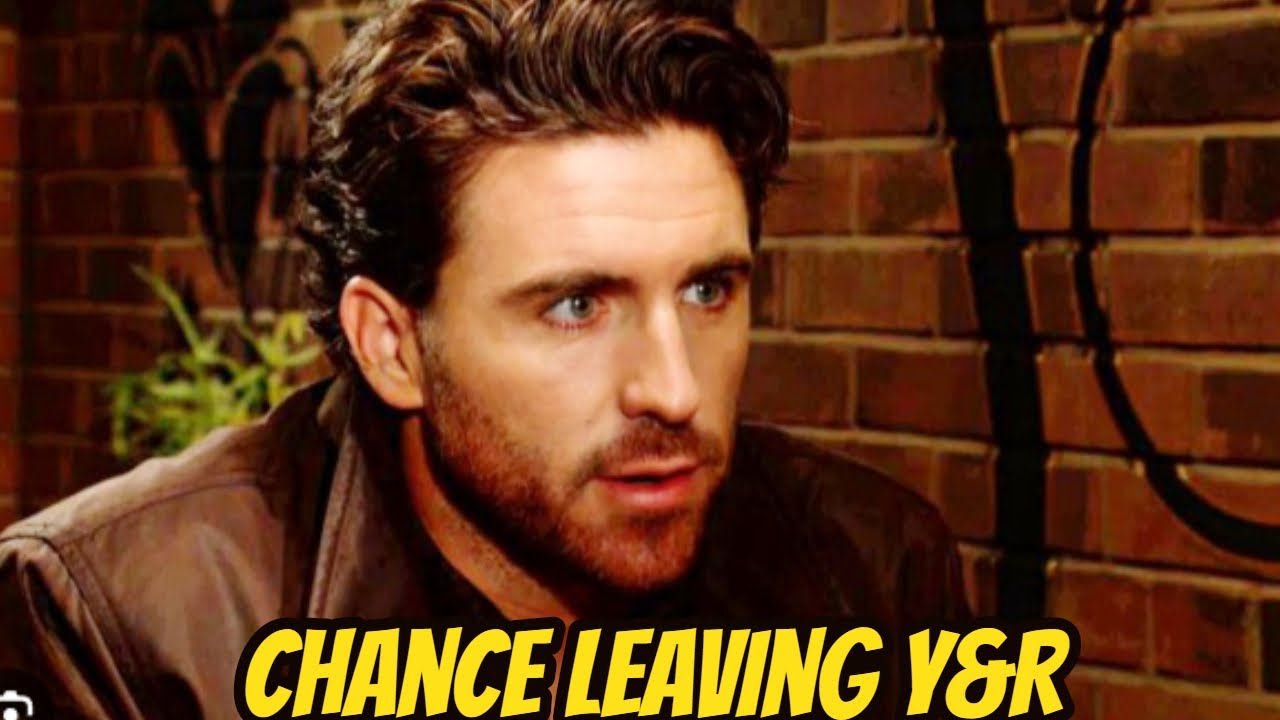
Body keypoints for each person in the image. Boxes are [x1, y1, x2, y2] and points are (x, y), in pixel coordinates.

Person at [0, 0, 969, 717]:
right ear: (393, 346)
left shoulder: (869, 572)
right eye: (577, 307)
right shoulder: (117, 627)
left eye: (707, 291)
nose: (674, 390)